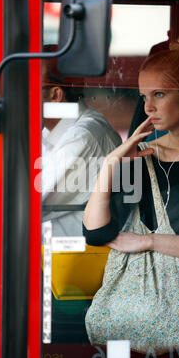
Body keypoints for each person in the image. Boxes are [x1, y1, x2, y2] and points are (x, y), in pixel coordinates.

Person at [83, 36, 179, 358]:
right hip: (132, 343)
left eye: (159, 95)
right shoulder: (140, 159)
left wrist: (149, 242)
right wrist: (110, 164)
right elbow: (96, 234)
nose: (148, 107)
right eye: (143, 97)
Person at [41, 58, 122, 237]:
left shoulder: (82, 136)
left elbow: (32, 203)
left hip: (75, 255)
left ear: (55, 95)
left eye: (28, 88)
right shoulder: (53, 130)